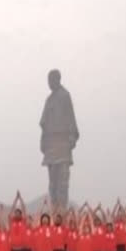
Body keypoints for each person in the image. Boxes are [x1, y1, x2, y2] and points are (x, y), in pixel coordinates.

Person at [39, 69, 79, 208]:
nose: (49, 84)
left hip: (63, 143)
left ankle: (62, 211)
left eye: (51, 80)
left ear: (57, 80)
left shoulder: (65, 96)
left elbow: (71, 117)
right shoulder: (49, 100)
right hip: (51, 143)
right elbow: (43, 123)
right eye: (48, 81)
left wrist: (72, 137)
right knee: (52, 182)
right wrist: (43, 141)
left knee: (63, 181)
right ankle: (54, 209)